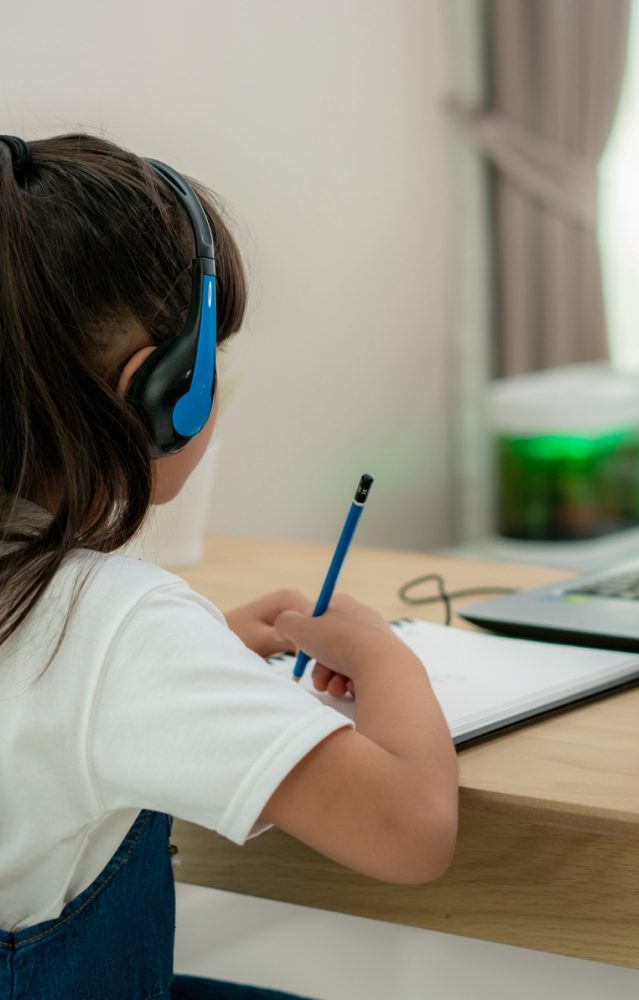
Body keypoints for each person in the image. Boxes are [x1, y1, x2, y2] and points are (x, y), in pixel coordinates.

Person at [0, 134, 457, 999]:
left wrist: (195, 647)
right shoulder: (111, 626)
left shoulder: (117, 636)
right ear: (167, 393)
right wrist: (387, 656)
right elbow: (412, 830)